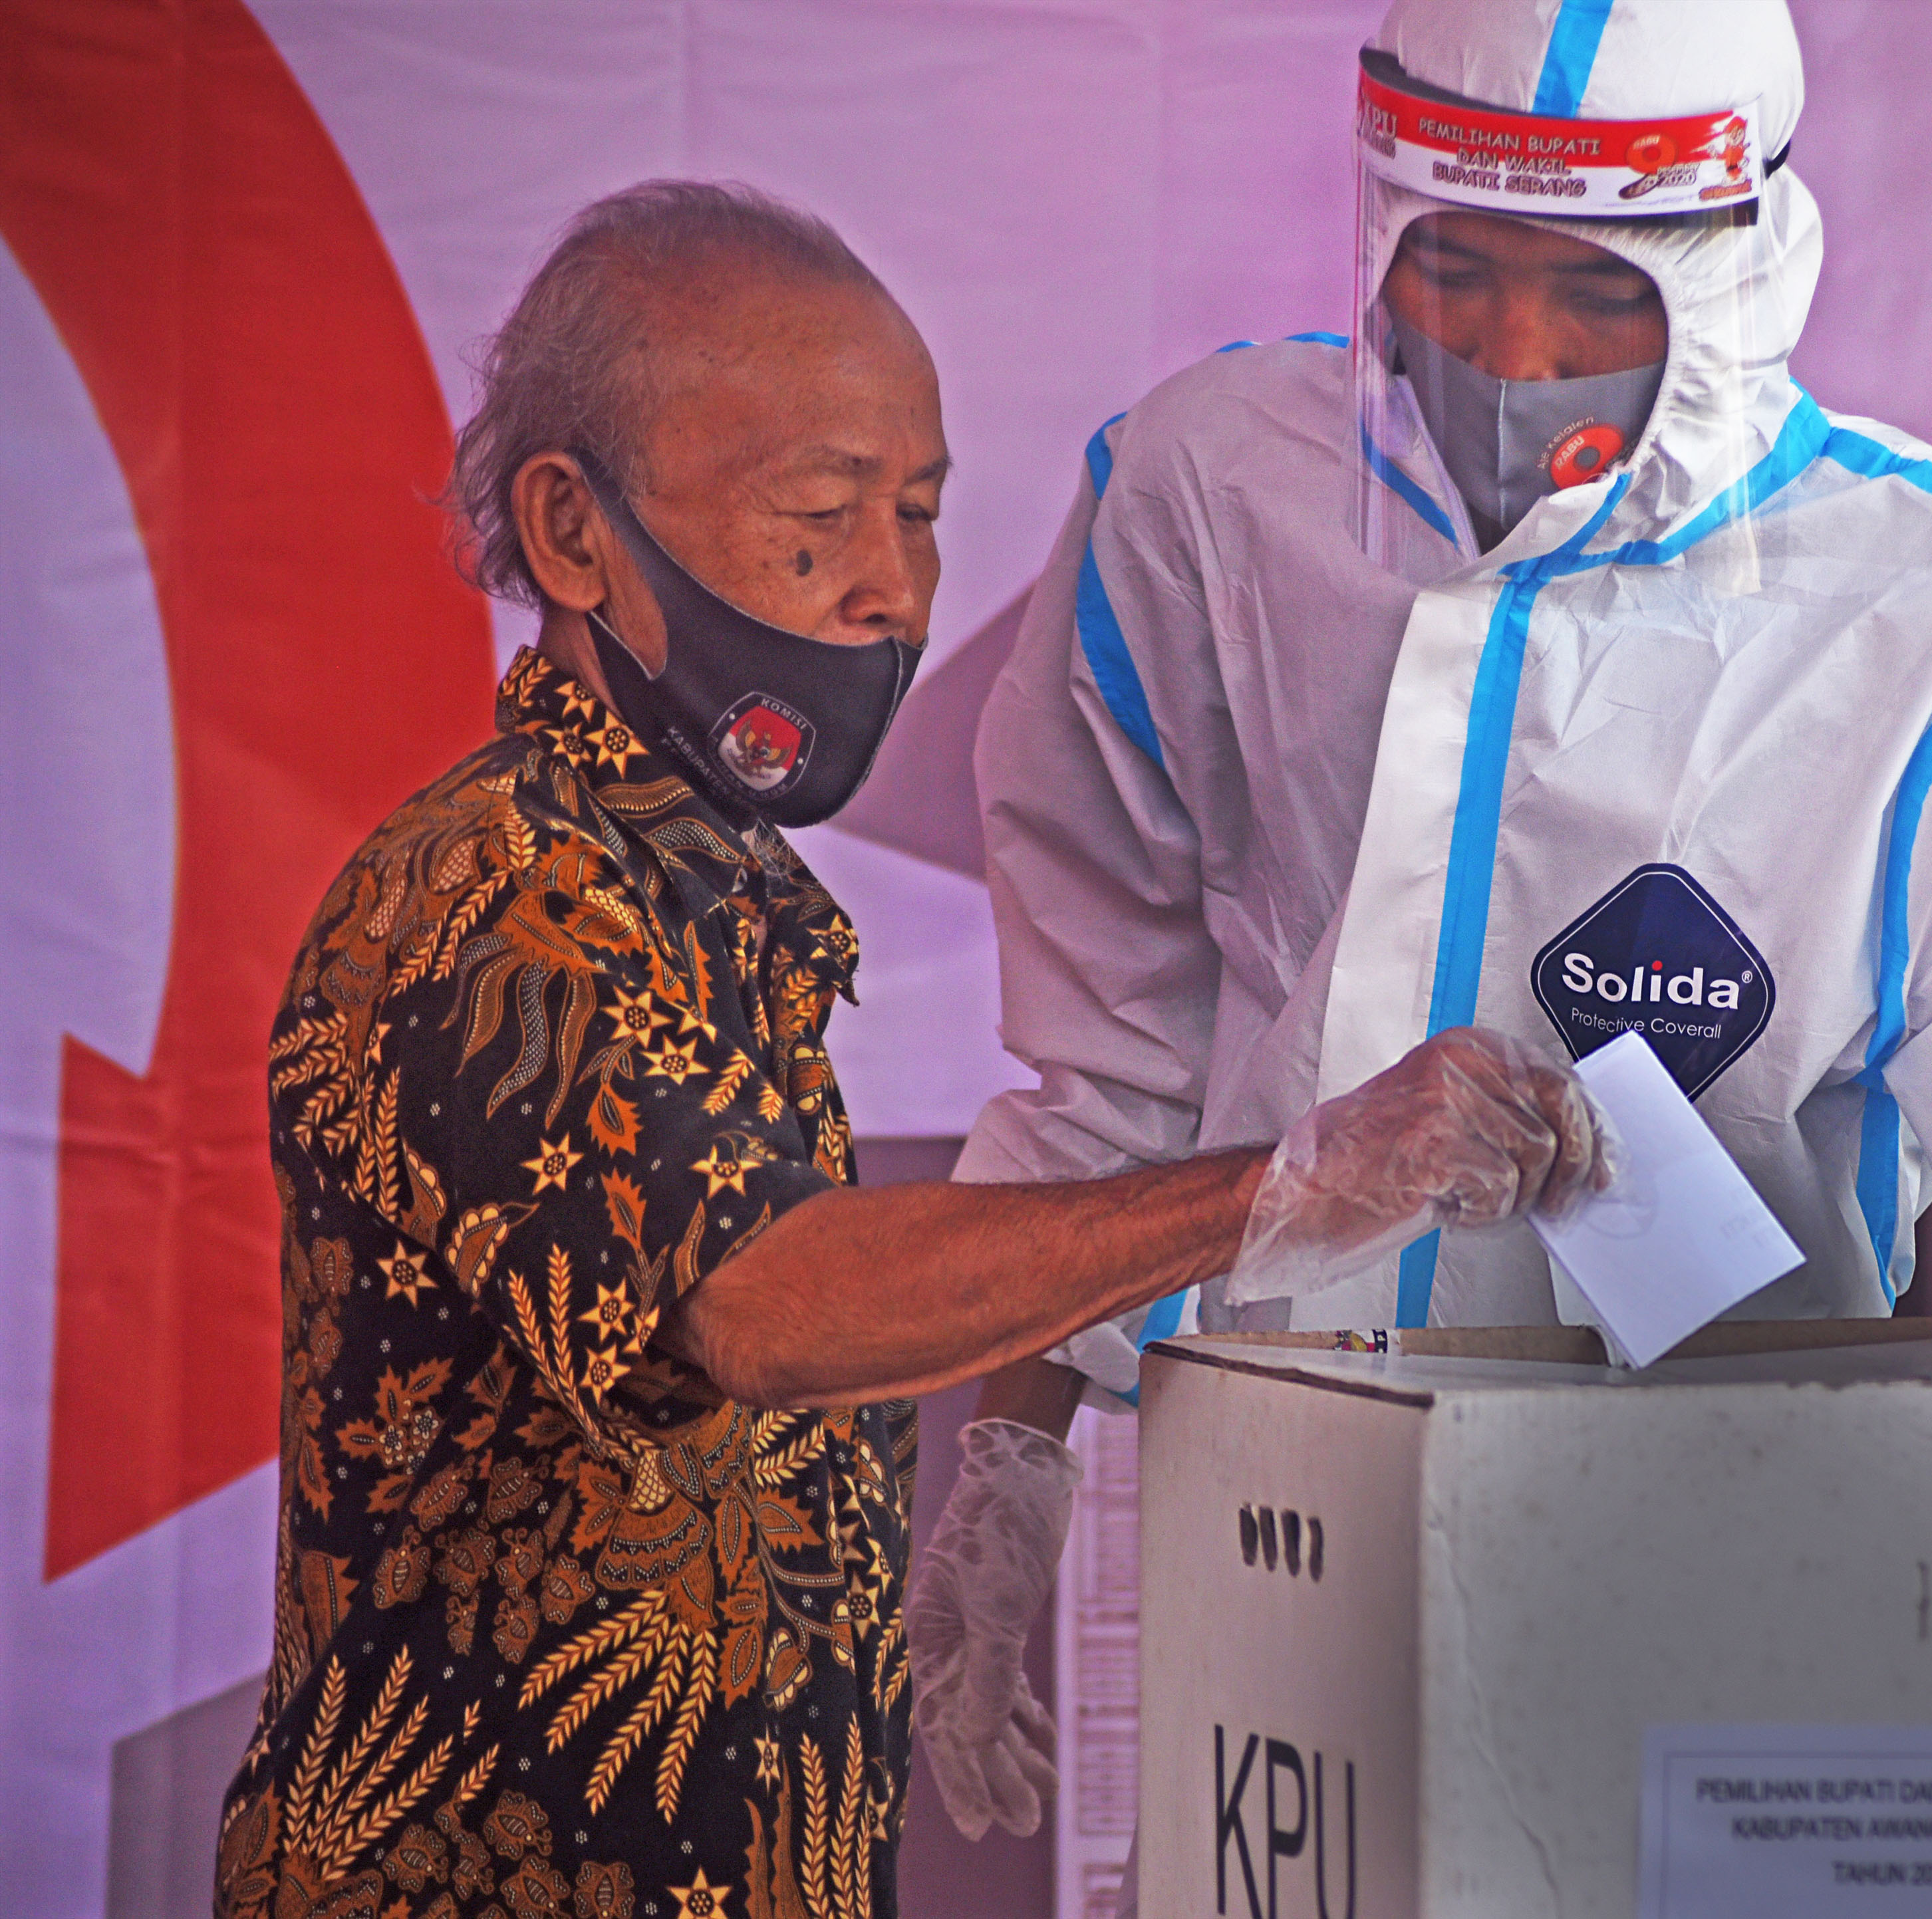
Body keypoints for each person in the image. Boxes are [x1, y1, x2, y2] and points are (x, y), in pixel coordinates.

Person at [920, 0, 1932, 1861]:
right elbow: (1104, 1083)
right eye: (1456, 267)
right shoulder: (1209, 500)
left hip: (1709, 1549)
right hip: (1253, 1521)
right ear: (1376, 221)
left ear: (1742, 262)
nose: (1512, 351)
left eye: (1598, 293)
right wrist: (1015, 1466)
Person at [214, 180, 1603, 1918]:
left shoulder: (716, 905)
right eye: (818, 520)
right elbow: (766, 1304)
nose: (890, 590)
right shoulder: (492, 905)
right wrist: (1291, 1188)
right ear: (572, 534)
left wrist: (982, 1507)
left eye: (923, 515)